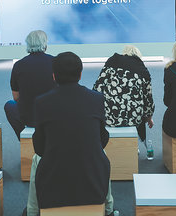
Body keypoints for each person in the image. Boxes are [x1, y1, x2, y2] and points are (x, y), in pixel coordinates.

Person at [26, 51, 113, 216]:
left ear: (54, 76)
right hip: (92, 186)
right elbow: (102, 139)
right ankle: (108, 209)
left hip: (53, 187)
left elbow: (39, 148)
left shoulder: (42, 102)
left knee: (36, 159)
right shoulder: (97, 98)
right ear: (80, 74)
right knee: (101, 154)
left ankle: (32, 212)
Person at [93, 45, 154, 143]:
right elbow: (148, 99)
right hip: (132, 118)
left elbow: (97, 88)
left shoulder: (112, 62)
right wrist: (149, 117)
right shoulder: (142, 70)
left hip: (108, 116)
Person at [4, 30, 56, 139]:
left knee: (10, 105)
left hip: (29, 118)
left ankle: (24, 138)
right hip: (53, 116)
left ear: (28, 44)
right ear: (45, 44)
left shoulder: (18, 65)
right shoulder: (55, 62)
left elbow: (16, 97)